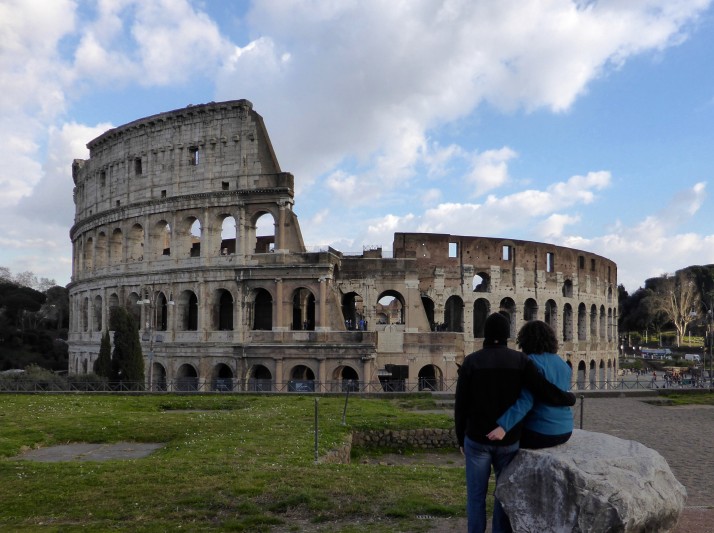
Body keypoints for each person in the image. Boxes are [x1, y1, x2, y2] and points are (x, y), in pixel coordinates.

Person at [455, 313, 576, 533]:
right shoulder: (523, 362)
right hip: (513, 439)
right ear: (507, 335)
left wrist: (460, 438)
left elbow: (461, 404)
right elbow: (543, 390)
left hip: (478, 437)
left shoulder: (472, 361)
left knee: (475, 497)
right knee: (503, 493)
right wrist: (569, 398)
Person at [486, 320, 574, 450]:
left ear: (525, 340)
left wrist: (503, 426)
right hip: (566, 430)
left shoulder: (531, 362)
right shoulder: (563, 364)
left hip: (541, 432)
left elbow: (526, 400)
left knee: (506, 443)